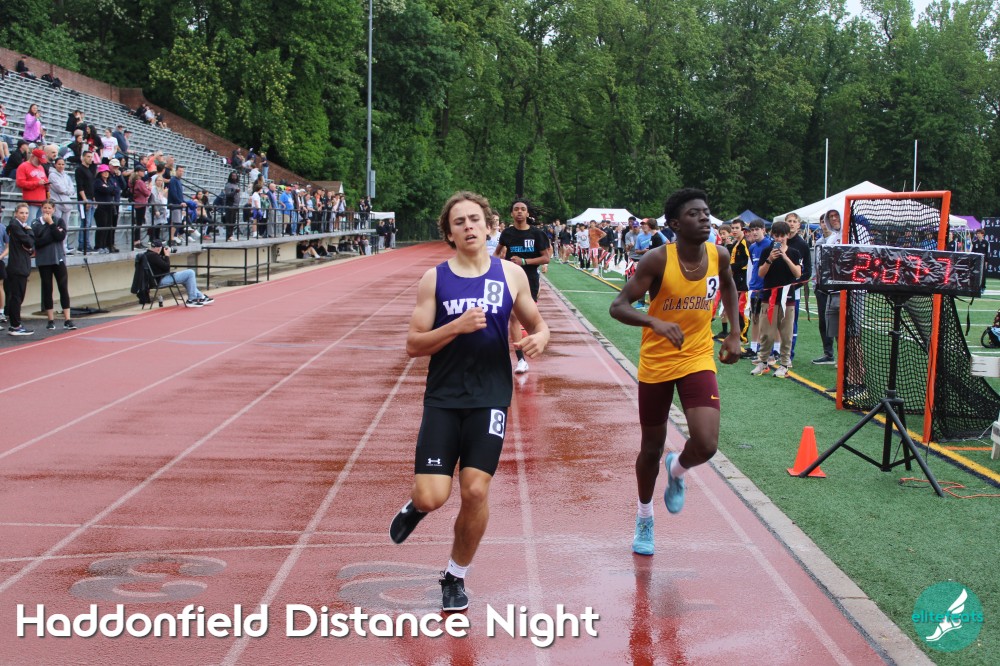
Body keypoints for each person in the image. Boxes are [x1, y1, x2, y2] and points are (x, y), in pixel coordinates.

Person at [389, 191, 550, 612]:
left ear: (489, 225)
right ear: (449, 234)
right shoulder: (435, 280)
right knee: (432, 497)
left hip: (490, 397)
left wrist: (540, 338)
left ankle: (455, 576)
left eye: (475, 219)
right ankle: (417, 505)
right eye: (458, 222)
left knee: (476, 489)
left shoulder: (511, 274)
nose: (468, 226)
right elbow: (413, 344)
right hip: (444, 397)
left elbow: (537, 323)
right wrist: (456, 327)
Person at [609, 188, 740, 556]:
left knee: (707, 444)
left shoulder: (719, 254)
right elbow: (619, 306)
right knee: (650, 448)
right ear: (675, 224)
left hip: (697, 355)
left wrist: (734, 332)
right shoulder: (657, 259)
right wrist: (654, 321)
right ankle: (644, 517)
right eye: (694, 213)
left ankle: (678, 469)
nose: (704, 218)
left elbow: (729, 285)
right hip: (658, 362)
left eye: (706, 212)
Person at [494, 199, 551, 374]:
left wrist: (524, 261)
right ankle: (520, 360)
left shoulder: (537, 234)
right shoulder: (507, 234)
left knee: (528, 319)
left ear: (527, 213)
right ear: (512, 213)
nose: (519, 211)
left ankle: (531, 344)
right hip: (509, 279)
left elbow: (546, 258)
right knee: (513, 317)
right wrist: (493, 266)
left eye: (523, 209)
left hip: (529, 281)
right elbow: (497, 253)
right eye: (516, 209)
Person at [751, 220, 802, 378]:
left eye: (782, 236)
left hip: (787, 298)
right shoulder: (767, 251)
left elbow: (797, 273)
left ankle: (785, 364)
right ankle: (763, 361)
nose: (779, 239)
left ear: (787, 236)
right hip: (769, 298)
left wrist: (785, 257)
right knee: (766, 333)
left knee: (786, 334)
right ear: (772, 235)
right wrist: (769, 259)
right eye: (776, 236)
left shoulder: (794, 252)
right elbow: (761, 273)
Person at [31, 201, 76, 330]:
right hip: (44, 260)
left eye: (49, 208)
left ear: (54, 209)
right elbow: (37, 242)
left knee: (63, 288)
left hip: (58, 259)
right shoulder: (35, 223)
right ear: (41, 209)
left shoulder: (59, 221)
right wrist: (53, 233)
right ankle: (50, 320)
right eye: (45, 208)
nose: (47, 210)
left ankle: (67, 319)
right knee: (47, 288)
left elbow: (60, 236)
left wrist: (51, 224)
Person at [144, 240, 214, 307]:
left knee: (187, 278)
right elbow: (166, 267)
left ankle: (200, 296)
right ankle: (192, 299)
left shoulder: (147, 254)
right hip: (160, 280)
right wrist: (167, 256)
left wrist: (162, 256)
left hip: (157, 279)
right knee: (190, 272)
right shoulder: (153, 256)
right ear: (158, 248)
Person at [5, 203, 36, 335]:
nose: (24, 215)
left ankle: (15, 325)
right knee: (17, 297)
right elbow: (29, 242)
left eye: (26, 213)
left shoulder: (19, 226)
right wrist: (29, 231)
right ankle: (15, 326)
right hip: (18, 267)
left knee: (17, 297)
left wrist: (29, 247)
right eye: (22, 213)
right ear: (16, 213)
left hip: (20, 266)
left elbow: (30, 247)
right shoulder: (15, 225)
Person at [15, 148, 50, 220]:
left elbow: (45, 180)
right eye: (38, 160)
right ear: (33, 156)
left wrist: (47, 185)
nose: (40, 162)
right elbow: (20, 183)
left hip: (42, 202)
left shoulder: (41, 167)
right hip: (31, 201)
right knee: (31, 223)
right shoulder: (23, 166)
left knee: (39, 224)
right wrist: (37, 183)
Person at [971, 229, 989, 295]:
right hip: (976, 261)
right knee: (975, 273)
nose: (978, 235)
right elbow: (973, 252)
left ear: (982, 234)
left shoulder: (986, 242)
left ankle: (983, 287)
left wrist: (986, 261)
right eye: (977, 233)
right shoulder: (975, 242)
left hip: (983, 260)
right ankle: (975, 287)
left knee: (983, 274)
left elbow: (987, 252)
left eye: (979, 233)